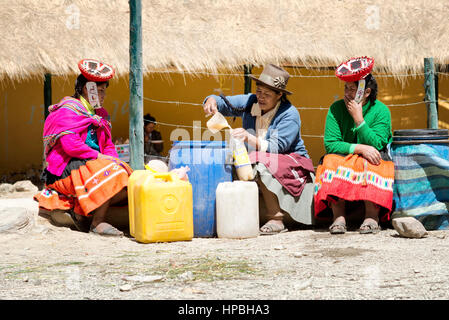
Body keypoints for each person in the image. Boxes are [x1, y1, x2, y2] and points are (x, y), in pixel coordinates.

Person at [203, 64, 315, 235]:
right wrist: (211, 100)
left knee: (259, 161)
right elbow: (224, 103)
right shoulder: (251, 101)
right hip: (258, 156)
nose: (261, 97)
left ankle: (276, 218)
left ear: (279, 95)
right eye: (259, 91)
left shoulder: (289, 114)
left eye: (267, 94)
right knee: (229, 161)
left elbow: (278, 147)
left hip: (291, 160)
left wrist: (248, 138)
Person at [34, 59, 133, 237]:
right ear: (88, 89)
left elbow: (108, 145)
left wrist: (114, 160)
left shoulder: (100, 115)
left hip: (92, 163)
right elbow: (71, 146)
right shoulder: (68, 110)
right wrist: (101, 158)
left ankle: (81, 212)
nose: (103, 95)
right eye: (100, 90)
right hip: (67, 167)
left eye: (104, 91)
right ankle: (97, 222)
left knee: (128, 180)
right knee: (113, 173)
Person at [314, 57, 395, 234]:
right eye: (346, 88)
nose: (348, 93)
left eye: (353, 89)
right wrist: (358, 148)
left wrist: (359, 120)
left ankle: (372, 216)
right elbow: (331, 144)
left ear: (366, 92)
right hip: (347, 155)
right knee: (330, 161)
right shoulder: (336, 109)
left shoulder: (381, 110)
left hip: (373, 155)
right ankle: (339, 217)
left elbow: (378, 143)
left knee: (373, 163)